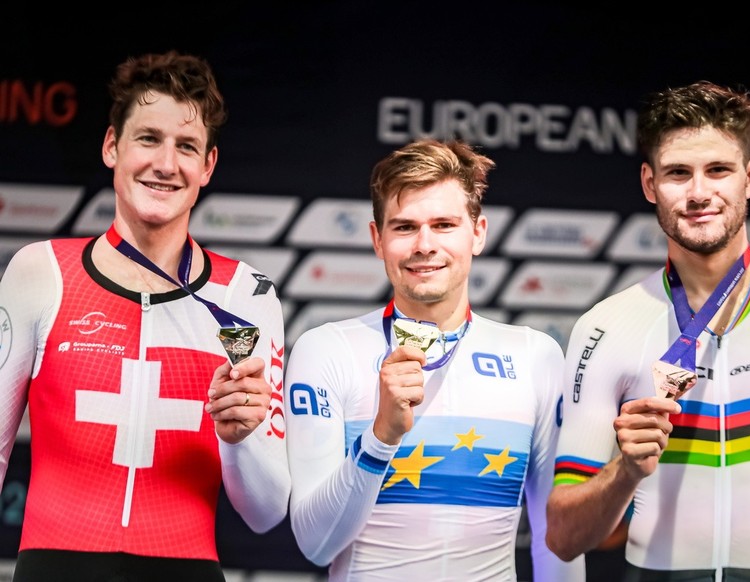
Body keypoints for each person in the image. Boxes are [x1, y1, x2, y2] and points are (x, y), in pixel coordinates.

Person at [546, 80, 750, 581]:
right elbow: (564, 539)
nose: (699, 193)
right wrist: (625, 472)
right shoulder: (605, 327)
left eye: (717, 170)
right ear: (650, 183)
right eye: (678, 173)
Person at [0, 50, 290, 581]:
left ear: (208, 166)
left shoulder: (245, 295)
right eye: (148, 138)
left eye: (186, 146)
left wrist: (242, 438)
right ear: (112, 147)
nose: (165, 163)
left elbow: (266, 512)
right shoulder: (40, 272)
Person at [284, 138, 586, 581]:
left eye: (444, 224)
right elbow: (316, 544)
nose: (425, 245)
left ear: (478, 233)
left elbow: (555, 539)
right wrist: (381, 435)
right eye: (404, 227)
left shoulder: (534, 355)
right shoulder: (327, 350)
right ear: (377, 239)